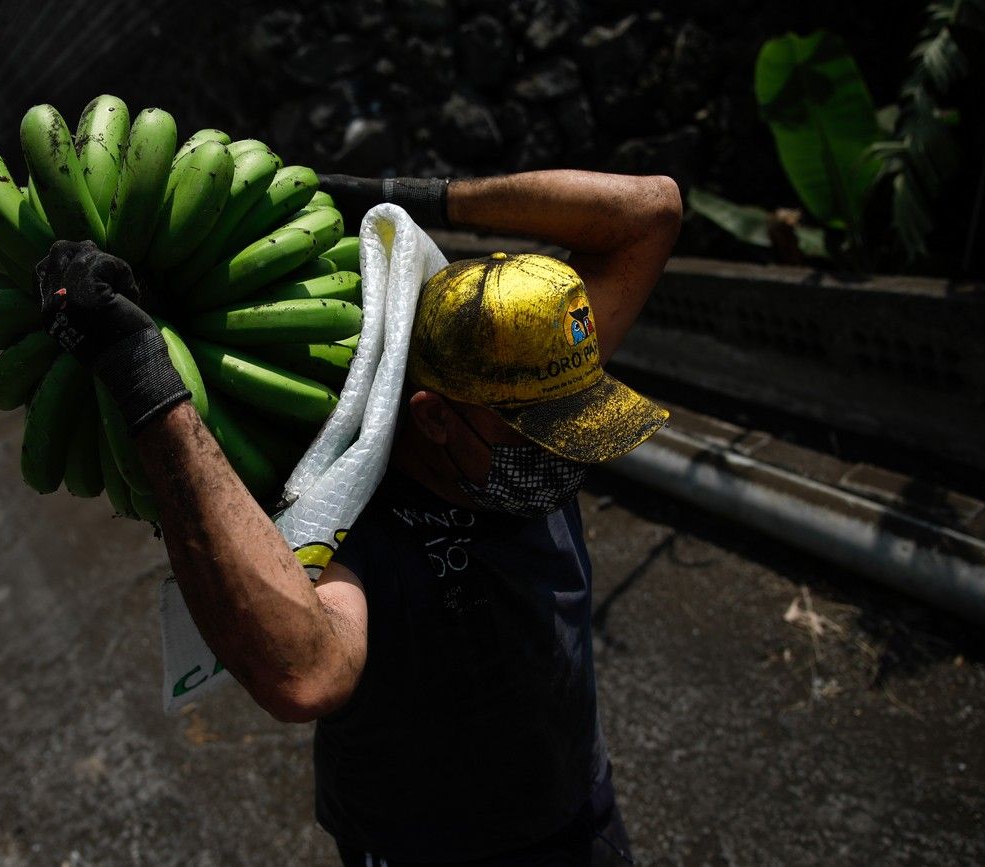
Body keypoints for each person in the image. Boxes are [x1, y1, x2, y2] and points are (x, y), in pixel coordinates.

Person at [36, 168, 682, 866]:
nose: (567, 453)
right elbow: (306, 675)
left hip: (579, 811)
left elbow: (651, 210)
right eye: (540, 434)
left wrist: (402, 196)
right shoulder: (356, 517)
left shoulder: (529, 384)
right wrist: (140, 373)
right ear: (434, 418)